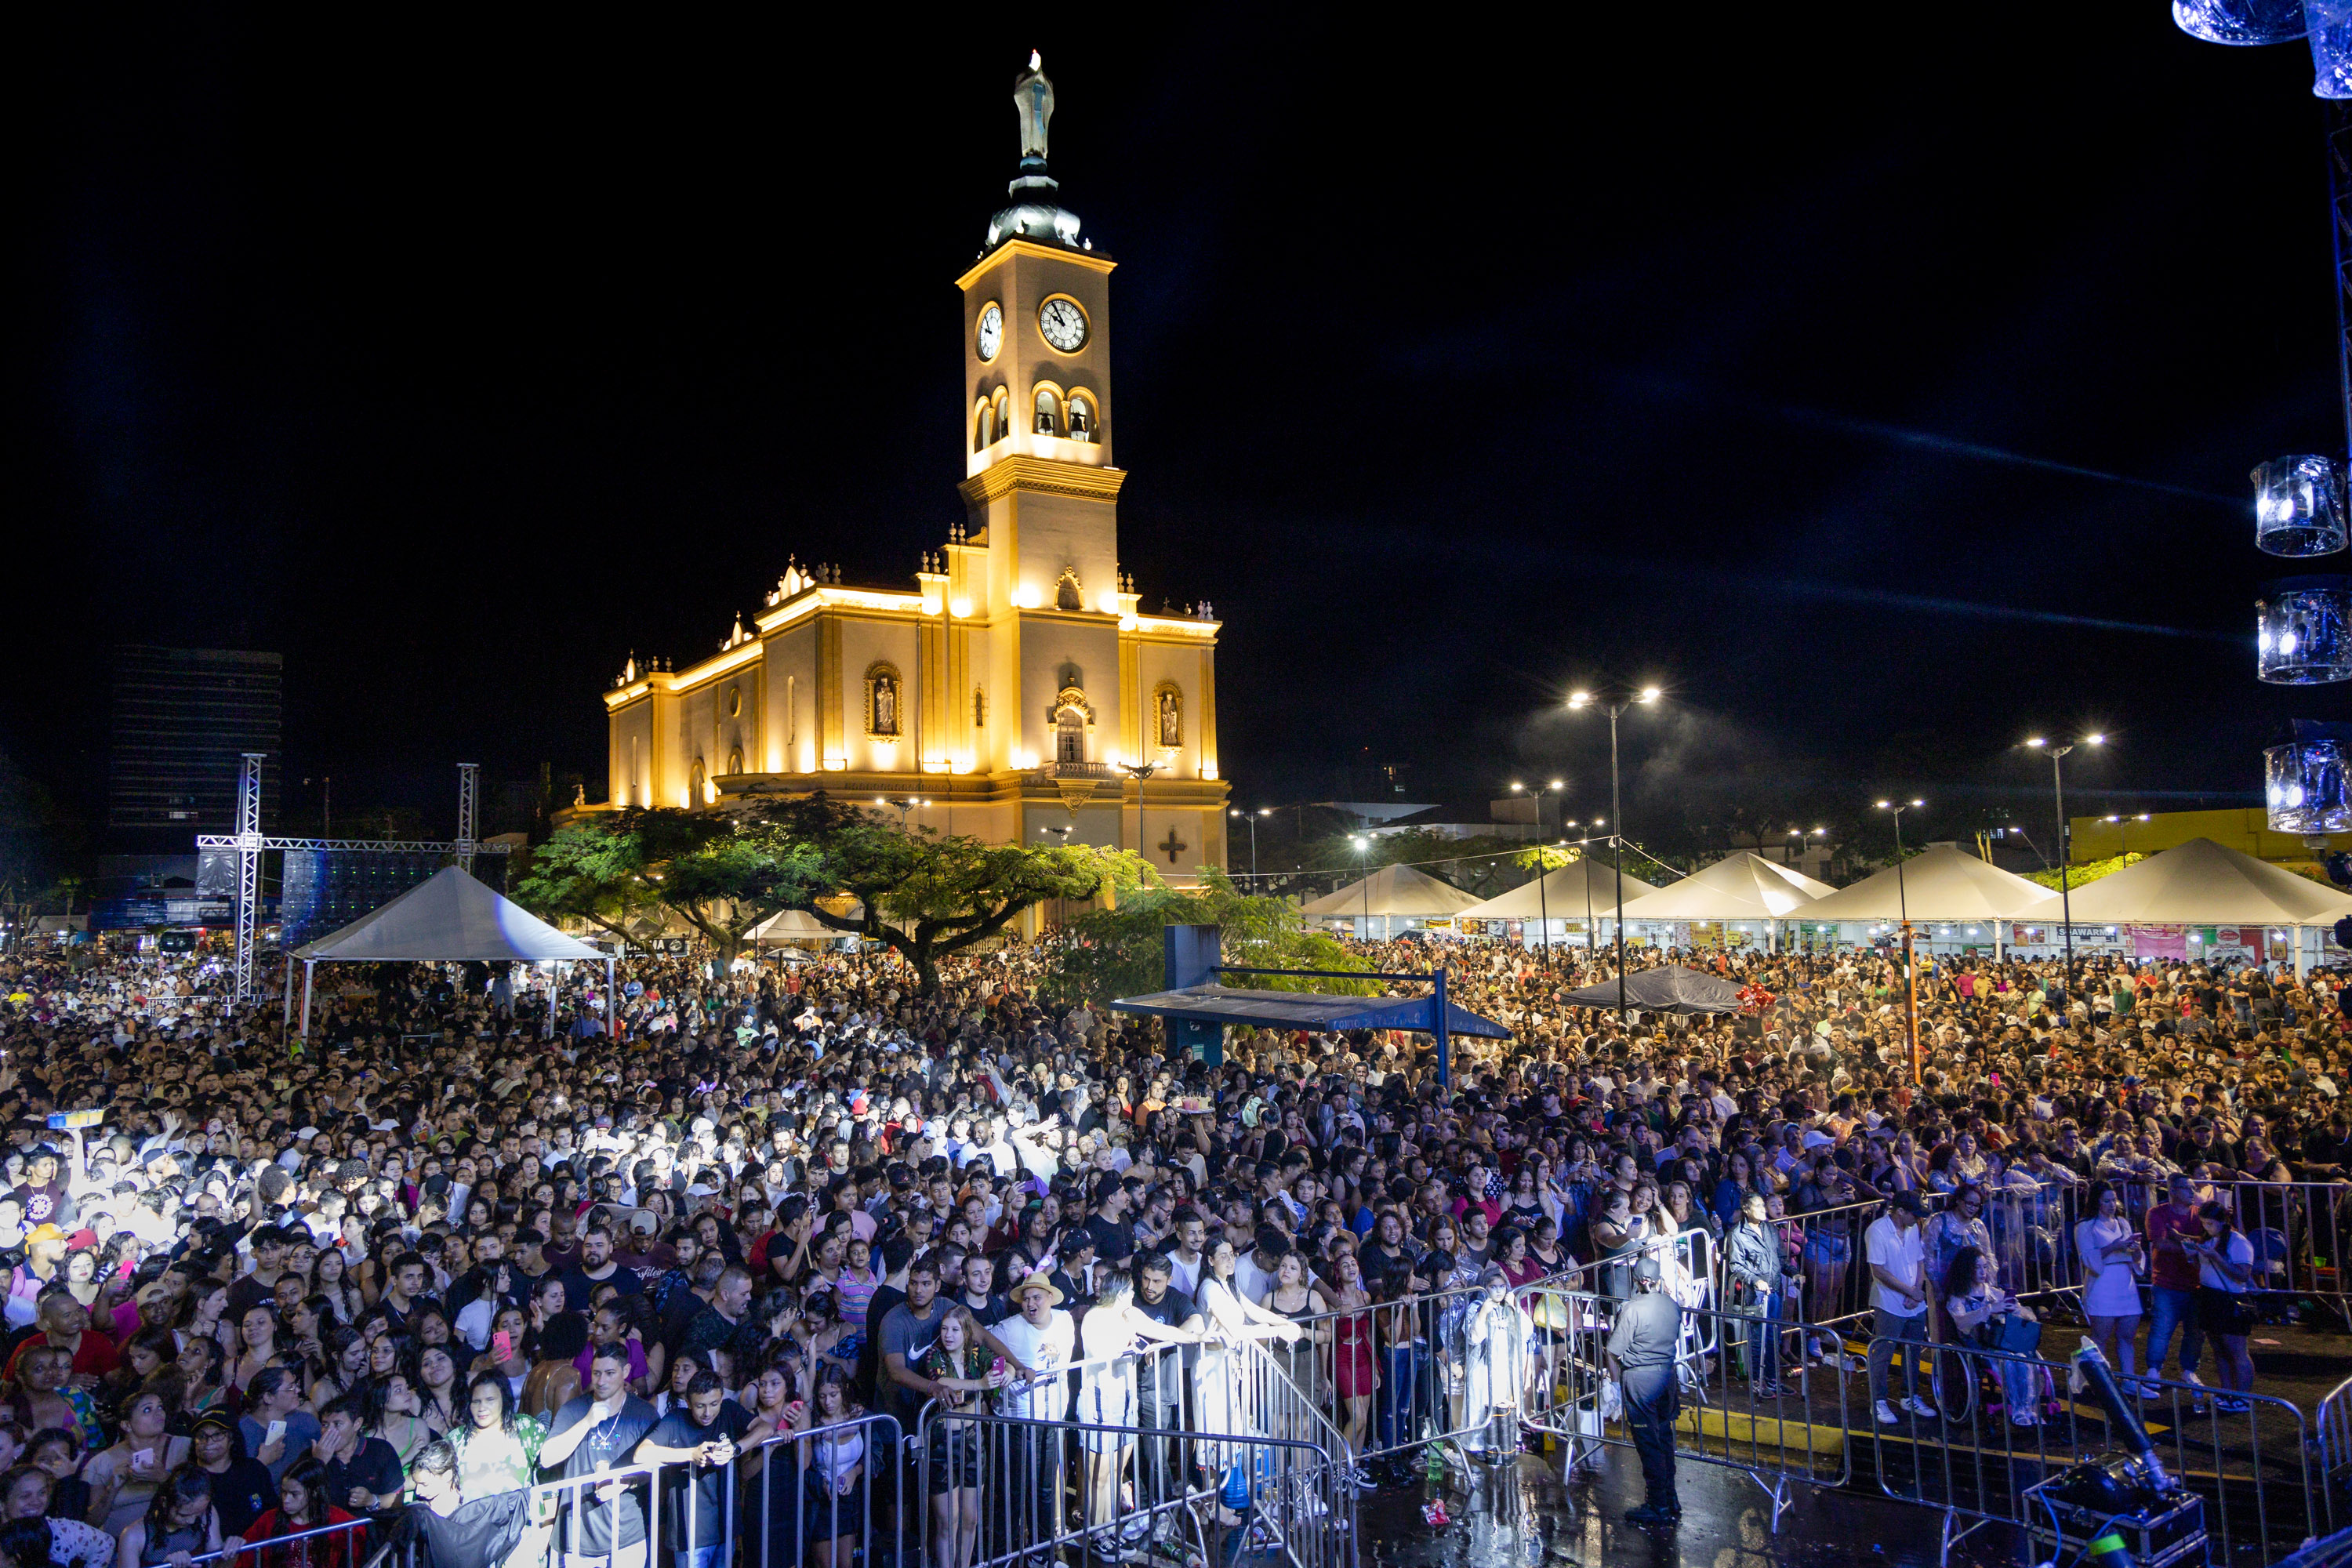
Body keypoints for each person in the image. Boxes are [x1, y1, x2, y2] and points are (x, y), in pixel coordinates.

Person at [535, 1341, 660, 1568]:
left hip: (626, 1535)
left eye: (610, 1373)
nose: (601, 1381)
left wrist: (625, 1482)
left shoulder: (644, 1413)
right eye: (596, 1373)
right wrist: (586, 1422)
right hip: (575, 1532)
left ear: (626, 1372)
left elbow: (656, 1466)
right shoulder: (575, 1409)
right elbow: (547, 1458)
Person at [636, 1370, 751, 1568]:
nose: (707, 1413)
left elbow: (765, 1428)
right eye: (700, 1406)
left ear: (722, 1399)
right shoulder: (675, 1420)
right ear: (688, 1403)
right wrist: (690, 1454)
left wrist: (736, 1448)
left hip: (726, 1527)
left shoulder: (729, 1410)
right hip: (690, 1533)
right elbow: (641, 1454)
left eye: (714, 1404)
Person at [1606, 1256, 1684, 1526]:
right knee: (1664, 1438)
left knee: (1649, 1443)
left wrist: (1615, 1385)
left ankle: (1657, 1504)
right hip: (1667, 1376)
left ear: (1638, 1281)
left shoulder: (1632, 1309)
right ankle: (1670, 1497)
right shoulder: (1672, 1305)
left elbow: (1614, 1351)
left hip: (1641, 1380)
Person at [1942, 1246, 2041, 1426]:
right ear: (1967, 1270)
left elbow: (2027, 1314)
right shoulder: (1958, 1297)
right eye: (1977, 1268)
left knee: (2023, 1359)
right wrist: (1989, 1310)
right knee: (2009, 1362)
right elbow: (1961, 1322)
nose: (1983, 1272)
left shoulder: (1994, 1293)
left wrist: (2016, 1312)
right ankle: (2018, 1410)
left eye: (1985, 1267)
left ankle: (2028, 1408)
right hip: (1978, 1346)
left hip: (2002, 1343)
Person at [1863, 1191, 1936, 1428]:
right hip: (1889, 1303)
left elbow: (1919, 1260)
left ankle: (1910, 1396)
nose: (1918, 1219)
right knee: (1883, 1353)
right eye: (1915, 1214)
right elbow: (1879, 1271)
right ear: (1901, 1212)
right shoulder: (1877, 1230)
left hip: (1913, 1303)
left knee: (1913, 1352)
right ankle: (1879, 1400)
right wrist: (1910, 1291)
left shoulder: (1913, 1228)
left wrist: (1916, 1290)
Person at [397, 1439, 529, 1568]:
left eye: (424, 1484)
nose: (418, 1491)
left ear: (447, 1476)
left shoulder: (474, 1510)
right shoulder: (418, 1512)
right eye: (416, 1484)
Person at [2073, 1182, 2147, 1397]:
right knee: (2100, 1337)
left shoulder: (2123, 1223)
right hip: (2102, 1283)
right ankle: (2101, 1382)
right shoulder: (2086, 1226)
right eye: (2106, 1200)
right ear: (2096, 1201)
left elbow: (2136, 1259)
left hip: (2125, 1281)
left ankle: (2129, 1381)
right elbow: (2088, 1257)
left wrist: (2136, 1251)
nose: (2112, 1205)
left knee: (2127, 1337)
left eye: (2113, 1200)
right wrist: (2115, 1246)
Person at [2185, 1201, 2258, 1414]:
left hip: (2229, 1299)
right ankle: (2226, 1392)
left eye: (2210, 1223)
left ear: (2222, 1222)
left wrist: (2216, 1257)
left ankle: (2243, 1397)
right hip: (2209, 1296)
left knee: (2237, 1351)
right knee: (2218, 1348)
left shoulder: (2238, 1242)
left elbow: (2242, 1275)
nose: (2207, 1228)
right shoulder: (2211, 1239)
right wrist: (2192, 1257)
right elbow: (2204, 1269)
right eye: (2204, 1224)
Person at [229, 1458, 360, 1568]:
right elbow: (244, 1560)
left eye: (294, 1494)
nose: (286, 1500)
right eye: (284, 1492)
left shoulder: (339, 1521)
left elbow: (358, 1552)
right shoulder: (268, 1520)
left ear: (314, 1492)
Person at [2144, 1174, 2205, 1389]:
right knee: (2162, 1329)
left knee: (2196, 1331)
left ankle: (2189, 1370)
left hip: (2196, 1283)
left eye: (2194, 1188)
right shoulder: (2157, 1213)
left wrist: (2180, 1238)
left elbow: (2214, 1238)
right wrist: (2194, 1247)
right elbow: (2160, 1243)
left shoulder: (2200, 1215)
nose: (2193, 1192)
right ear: (2173, 1190)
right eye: (2187, 1188)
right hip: (2167, 1282)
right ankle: (2153, 1369)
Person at [112, 1468, 220, 1568]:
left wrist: (230, 1552)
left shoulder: (207, 1513)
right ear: (164, 1502)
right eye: (183, 1515)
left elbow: (216, 1563)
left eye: (198, 1514)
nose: (191, 1521)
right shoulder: (133, 1536)